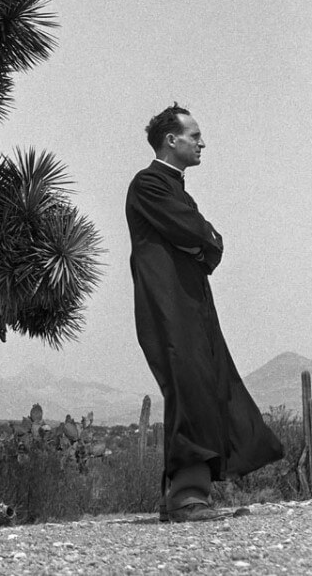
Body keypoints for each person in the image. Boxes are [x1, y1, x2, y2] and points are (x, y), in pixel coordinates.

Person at [126, 103, 283, 523]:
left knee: (201, 387)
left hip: (191, 307)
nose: (202, 142)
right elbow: (195, 233)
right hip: (170, 307)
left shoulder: (175, 190)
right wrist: (206, 238)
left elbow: (201, 245)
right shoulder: (148, 185)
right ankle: (186, 498)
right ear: (170, 140)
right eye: (194, 135)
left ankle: (180, 495)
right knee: (190, 387)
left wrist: (203, 242)